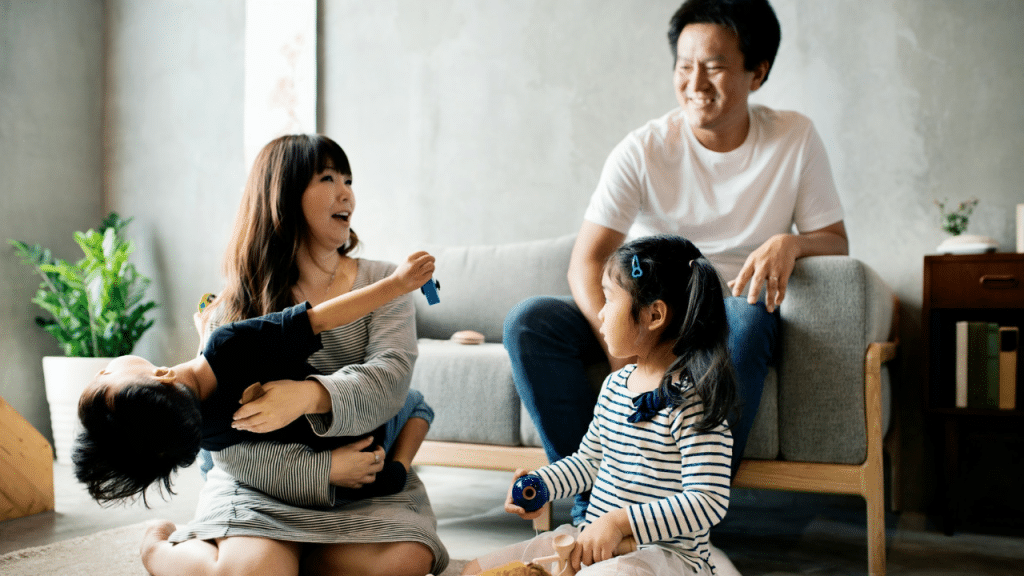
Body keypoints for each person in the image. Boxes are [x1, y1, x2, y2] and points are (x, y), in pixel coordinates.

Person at [503, 0, 847, 523]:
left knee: (748, 318)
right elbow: (586, 261)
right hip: (642, 311)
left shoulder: (793, 137)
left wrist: (792, 243)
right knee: (530, 321)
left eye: (715, 66)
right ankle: (592, 510)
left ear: (757, 73)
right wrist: (624, 346)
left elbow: (835, 242)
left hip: (723, 314)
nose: (695, 83)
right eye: (685, 66)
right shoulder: (644, 148)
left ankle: (687, 515)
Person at [140, 134, 448, 576]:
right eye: (328, 178)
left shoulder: (385, 283)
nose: (347, 194)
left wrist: (309, 396)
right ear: (283, 196)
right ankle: (157, 550)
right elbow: (226, 445)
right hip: (259, 484)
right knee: (253, 571)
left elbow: (391, 380)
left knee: (406, 560)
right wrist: (322, 469)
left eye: (348, 180)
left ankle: (288, 559)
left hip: (357, 486)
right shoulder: (232, 307)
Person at [73, 249, 435, 506]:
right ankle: (400, 465)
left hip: (331, 481)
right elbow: (323, 318)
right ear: (163, 374)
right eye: (105, 376)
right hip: (360, 433)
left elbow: (206, 385)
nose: (103, 369)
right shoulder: (230, 344)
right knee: (416, 403)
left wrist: (203, 336)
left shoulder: (203, 432)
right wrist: (396, 284)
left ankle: (391, 471)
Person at [466, 236, 737, 576]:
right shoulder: (615, 386)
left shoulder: (693, 401)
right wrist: (543, 484)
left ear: (654, 315)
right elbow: (590, 462)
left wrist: (620, 522)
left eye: (609, 299)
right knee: (475, 570)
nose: (600, 312)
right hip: (591, 543)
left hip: (666, 558)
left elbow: (708, 501)